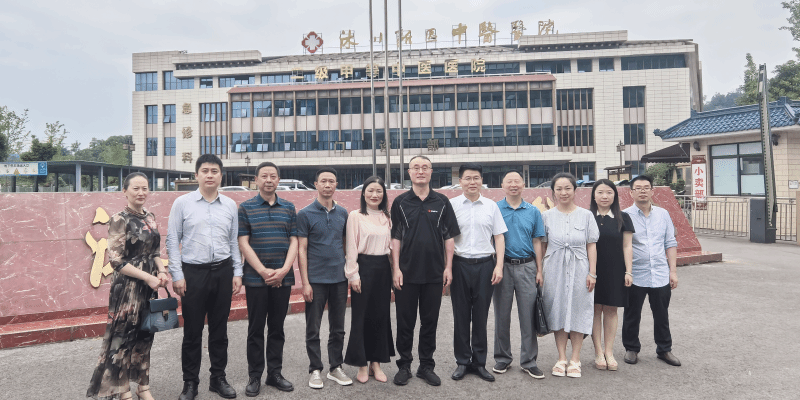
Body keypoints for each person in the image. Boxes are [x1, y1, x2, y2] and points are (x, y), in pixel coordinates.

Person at [166, 154, 243, 400]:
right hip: (193, 274)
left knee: (220, 330)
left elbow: (233, 241)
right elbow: (172, 240)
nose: (210, 175)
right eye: (205, 171)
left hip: (223, 272)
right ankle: (190, 382)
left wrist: (237, 272)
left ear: (221, 175)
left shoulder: (230, 205)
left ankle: (218, 378)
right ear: (196, 175)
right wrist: (177, 275)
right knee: (192, 331)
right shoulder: (182, 203)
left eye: (214, 171)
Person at [87, 173, 169, 400]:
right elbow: (116, 261)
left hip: (149, 287)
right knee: (123, 339)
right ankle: (122, 389)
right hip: (126, 289)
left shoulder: (150, 217)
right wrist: (147, 277)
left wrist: (161, 271)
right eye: (136, 188)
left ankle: (143, 387)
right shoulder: (119, 219)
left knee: (145, 336)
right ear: (124, 191)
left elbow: (154, 252)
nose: (141, 193)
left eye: (145, 188)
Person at [390, 155, 461, 387]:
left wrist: (448, 267)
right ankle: (404, 366)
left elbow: (448, 236)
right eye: (416, 168)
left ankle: (426, 366)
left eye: (425, 167)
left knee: (430, 322)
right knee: (405, 322)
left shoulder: (442, 201)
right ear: (409, 173)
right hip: (406, 273)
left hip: (434, 273)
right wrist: (396, 268)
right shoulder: (400, 202)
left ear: (431, 172)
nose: (420, 171)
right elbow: (396, 237)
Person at [237, 162, 297, 396]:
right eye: (264, 176)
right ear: (256, 180)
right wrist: (263, 271)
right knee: (255, 328)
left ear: (278, 180)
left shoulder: (289, 207)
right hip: (255, 278)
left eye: (273, 176)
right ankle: (255, 376)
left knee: (277, 328)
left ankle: (275, 373)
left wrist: (283, 270)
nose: (269, 180)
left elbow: (294, 240)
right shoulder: (246, 208)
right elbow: (243, 242)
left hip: (283, 278)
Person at [449, 163, 507, 382]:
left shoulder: (491, 206)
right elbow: (446, 238)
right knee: (461, 315)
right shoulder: (452, 205)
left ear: (482, 180)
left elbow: (499, 237)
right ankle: (462, 362)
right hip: (459, 264)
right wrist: (447, 267)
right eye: (467, 178)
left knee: (481, 316)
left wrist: (498, 266)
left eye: (476, 178)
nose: (472, 182)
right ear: (460, 181)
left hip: (485, 265)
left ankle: (479, 363)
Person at [298, 167, 353, 389]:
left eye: (331, 181)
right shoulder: (305, 214)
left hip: (339, 279)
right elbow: (302, 250)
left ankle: (335, 367)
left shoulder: (343, 213)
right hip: (316, 280)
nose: (328, 185)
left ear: (336, 184)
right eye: (323, 181)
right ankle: (315, 369)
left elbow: (345, 244)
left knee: (338, 327)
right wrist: (305, 283)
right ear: (316, 184)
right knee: (313, 328)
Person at [541, 172, 599, 378]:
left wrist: (592, 273)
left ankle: (575, 359)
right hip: (554, 268)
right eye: (559, 189)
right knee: (557, 310)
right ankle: (561, 358)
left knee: (578, 310)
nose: (563, 192)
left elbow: (591, 245)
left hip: (580, 268)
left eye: (568, 188)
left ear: (575, 190)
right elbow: (543, 245)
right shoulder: (546, 216)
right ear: (553, 192)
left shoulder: (586, 215)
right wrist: (540, 271)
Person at [492, 170, 546, 380]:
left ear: (523, 185)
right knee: (501, 315)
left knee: (528, 316)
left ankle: (529, 361)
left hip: (527, 267)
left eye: (517, 181)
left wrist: (539, 270)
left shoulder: (533, 211)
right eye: (509, 182)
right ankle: (502, 358)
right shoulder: (495, 209)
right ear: (502, 186)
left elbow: (537, 241)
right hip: (502, 267)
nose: (513, 185)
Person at [622, 175, 681, 367]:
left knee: (661, 314)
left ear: (652, 191)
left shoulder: (663, 214)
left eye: (646, 187)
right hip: (636, 274)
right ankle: (631, 348)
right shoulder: (625, 215)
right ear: (631, 193)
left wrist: (673, 271)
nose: (642, 191)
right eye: (638, 188)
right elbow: (623, 245)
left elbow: (670, 242)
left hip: (660, 273)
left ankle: (664, 349)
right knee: (632, 314)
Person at [343, 175, 396, 383]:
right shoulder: (355, 216)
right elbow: (351, 247)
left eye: (379, 191)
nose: (375, 195)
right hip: (363, 268)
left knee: (381, 317)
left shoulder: (387, 216)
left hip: (383, 269)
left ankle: (376, 363)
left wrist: (395, 271)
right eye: (371, 190)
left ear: (384, 195)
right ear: (363, 193)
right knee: (361, 317)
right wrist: (353, 274)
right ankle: (362, 365)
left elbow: (392, 249)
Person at [589, 179, 635, 371]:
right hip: (591, 271)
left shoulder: (623, 218)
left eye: (609, 192)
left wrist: (628, 271)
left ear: (615, 195)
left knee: (611, 310)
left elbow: (627, 246)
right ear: (594, 196)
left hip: (615, 270)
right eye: (600, 192)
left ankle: (609, 351)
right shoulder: (587, 217)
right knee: (594, 310)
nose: (604, 196)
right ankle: (598, 352)